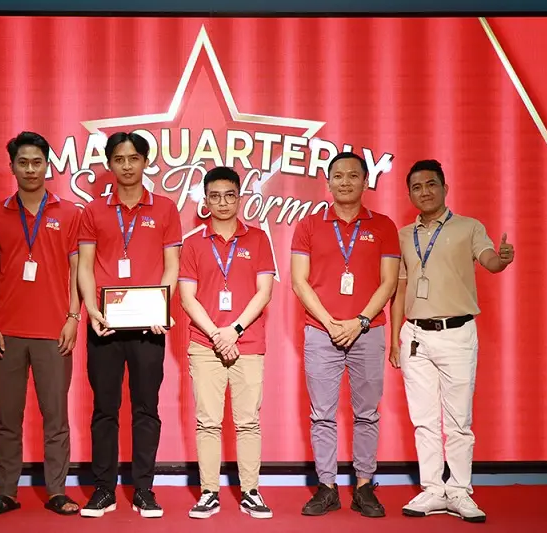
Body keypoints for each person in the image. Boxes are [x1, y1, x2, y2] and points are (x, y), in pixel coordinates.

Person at [389, 159, 514, 523]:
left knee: (458, 420)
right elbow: (399, 290)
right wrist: (395, 339)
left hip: (457, 333)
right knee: (424, 419)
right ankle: (432, 489)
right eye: (416, 187)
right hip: (414, 335)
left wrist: (502, 260)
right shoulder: (403, 235)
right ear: (409, 194)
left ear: (445, 188)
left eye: (431, 184)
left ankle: (459, 491)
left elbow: (489, 261)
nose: (424, 192)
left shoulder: (469, 227)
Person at [77, 131, 181, 518]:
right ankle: (103, 489)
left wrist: (162, 308)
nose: (126, 166)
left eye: (134, 158)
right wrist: (91, 310)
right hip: (104, 324)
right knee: (104, 409)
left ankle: (144, 490)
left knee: (146, 409)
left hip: (149, 327)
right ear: (109, 164)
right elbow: (85, 267)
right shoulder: (93, 211)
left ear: (145, 162)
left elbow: (172, 266)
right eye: (119, 159)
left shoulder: (165, 209)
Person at [290, 152, 400, 518]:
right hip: (321, 332)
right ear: (328, 182)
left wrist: (360, 321)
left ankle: (364, 487)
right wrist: (331, 322)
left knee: (367, 413)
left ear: (366, 181)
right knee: (322, 414)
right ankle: (327, 487)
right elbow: (299, 281)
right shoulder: (308, 225)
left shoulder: (383, 225)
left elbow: (388, 282)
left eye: (353, 175)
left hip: (368, 331)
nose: (345, 182)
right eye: (338, 176)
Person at [0, 131, 82, 516]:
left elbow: (78, 270)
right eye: (22, 162)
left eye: (37, 162)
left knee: (56, 418)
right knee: (7, 420)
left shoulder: (70, 213)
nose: (30, 169)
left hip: (54, 332)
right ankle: (6, 491)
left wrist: (73, 317)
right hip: (6, 332)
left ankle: (57, 491)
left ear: (47, 166)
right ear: (12, 167)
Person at [178, 167, 276, 520]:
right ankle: (209, 492)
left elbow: (264, 292)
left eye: (229, 195)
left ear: (239, 197)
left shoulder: (259, 239)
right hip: (205, 344)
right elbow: (187, 298)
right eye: (215, 196)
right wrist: (217, 336)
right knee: (208, 422)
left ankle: (251, 491)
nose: (222, 202)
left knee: (248, 421)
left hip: (247, 342)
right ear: (205, 201)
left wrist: (233, 330)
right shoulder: (193, 243)